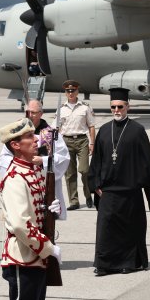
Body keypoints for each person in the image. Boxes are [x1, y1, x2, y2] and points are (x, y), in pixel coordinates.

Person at [0, 118, 63, 300]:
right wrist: (48, 248)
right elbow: (20, 225)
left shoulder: (32, 171)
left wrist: (51, 209)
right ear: (15, 145)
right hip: (23, 257)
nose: (35, 139)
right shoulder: (15, 178)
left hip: (35, 257)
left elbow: (36, 211)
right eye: (28, 137)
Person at [89, 88, 150, 275]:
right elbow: (96, 161)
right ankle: (104, 264)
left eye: (120, 106)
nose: (116, 110)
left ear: (127, 107)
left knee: (130, 231)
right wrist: (95, 185)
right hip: (109, 191)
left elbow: (148, 164)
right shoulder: (104, 131)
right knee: (105, 230)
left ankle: (128, 263)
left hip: (130, 191)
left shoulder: (137, 131)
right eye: (113, 107)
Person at [0, 100, 71, 221]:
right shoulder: (17, 133)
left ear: (41, 113)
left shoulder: (51, 133)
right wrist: (21, 162)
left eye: (33, 112)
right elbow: (3, 159)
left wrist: (43, 160)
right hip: (22, 183)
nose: (29, 115)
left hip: (45, 185)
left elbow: (64, 159)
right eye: (27, 112)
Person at [55, 80, 95, 210]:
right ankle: (74, 201)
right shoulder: (61, 109)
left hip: (82, 140)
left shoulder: (85, 107)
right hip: (66, 141)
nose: (70, 93)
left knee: (84, 170)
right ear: (65, 93)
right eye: (68, 91)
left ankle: (88, 195)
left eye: (73, 91)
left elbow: (91, 126)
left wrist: (92, 143)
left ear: (77, 91)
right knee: (69, 173)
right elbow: (56, 127)